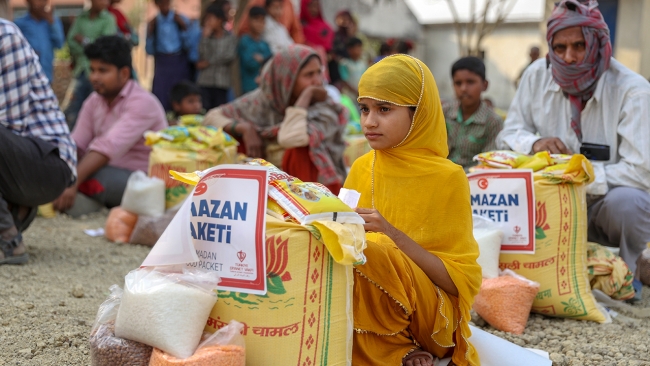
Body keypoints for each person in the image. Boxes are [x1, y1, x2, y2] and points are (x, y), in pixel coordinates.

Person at [496, 0, 650, 300]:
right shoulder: (536, 75)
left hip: (603, 207)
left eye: (579, 45)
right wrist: (535, 144)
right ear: (550, 46)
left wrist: (578, 175)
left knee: (630, 203)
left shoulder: (633, 91)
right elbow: (509, 133)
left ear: (598, 42)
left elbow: (641, 172)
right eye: (560, 47)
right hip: (550, 206)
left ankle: (625, 273)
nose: (569, 57)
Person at [346, 54, 480, 365]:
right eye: (364, 108)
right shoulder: (362, 167)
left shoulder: (448, 177)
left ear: (418, 114)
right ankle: (387, 348)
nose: (369, 121)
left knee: (375, 249)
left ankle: (398, 347)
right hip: (366, 303)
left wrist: (391, 235)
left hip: (430, 315)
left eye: (384, 109)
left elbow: (459, 283)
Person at [204, 45, 347, 194]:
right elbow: (211, 117)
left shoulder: (324, 107)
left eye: (319, 72)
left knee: (300, 149)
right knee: (232, 136)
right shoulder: (263, 100)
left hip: (307, 188)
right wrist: (244, 128)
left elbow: (290, 139)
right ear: (286, 78)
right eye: (309, 75)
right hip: (267, 179)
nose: (317, 81)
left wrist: (305, 97)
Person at [53, 36, 167, 216]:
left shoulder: (143, 103)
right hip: (104, 171)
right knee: (56, 169)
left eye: (102, 71)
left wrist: (72, 182)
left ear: (124, 73)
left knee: (97, 176)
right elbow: (76, 144)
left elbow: (106, 147)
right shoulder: (93, 101)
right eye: (92, 70)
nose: (94, 77)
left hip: (142, 179)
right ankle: (84, 201)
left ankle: (82, 198)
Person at [0, 19, 76, 265]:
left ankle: (8, 238)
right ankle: (14, 213)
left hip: (48, 163)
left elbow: (11, 122)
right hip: (15, 163)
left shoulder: (5, 35)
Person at [442, 57, 503, 170]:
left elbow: (488, 164)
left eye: (470, 82)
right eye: (458, 83)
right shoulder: (443, 113)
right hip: (441, 174)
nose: (463, 88)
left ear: (485, 85)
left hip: (473, 180)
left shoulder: (493, 121)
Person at [64, 0, 117, 128]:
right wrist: (90, 48)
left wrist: (84, 41)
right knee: (73, 111)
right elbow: (71, 41)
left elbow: (105, 47)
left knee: (97, 113)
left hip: (100, 75)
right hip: (81, 71)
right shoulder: (81, 18)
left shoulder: (109, 19)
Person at [146, 0, 194, 111]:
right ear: (156, 4)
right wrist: (150, 34)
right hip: (162, 62)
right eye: (161, 3)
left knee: (181, 93)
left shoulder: (181, 20)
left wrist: (183, 28)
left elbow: (189, 46)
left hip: (179, 61)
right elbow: (149, 51)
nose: (164, 6)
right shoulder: (153, 23)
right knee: (161, 94)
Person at [196, 3, 236, 110]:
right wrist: (205, 38)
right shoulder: (206, 37)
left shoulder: (230, 38)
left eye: (211, 18)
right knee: (204, 111)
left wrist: (208, 63)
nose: (208, 22)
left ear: (219, 20)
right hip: (205, 81)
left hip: (221, 82)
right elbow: (202, 54)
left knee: (218, 111)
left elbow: (228, 56)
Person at [14, 0, 65, 82]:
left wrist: (51, 22)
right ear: (29, 2)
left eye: (44, 1)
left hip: (46, 74)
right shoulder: (19, 24)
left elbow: (59, 44)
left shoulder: (53, 22)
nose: (42, 4)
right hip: (27, 76)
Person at [238, 6, 272, 94]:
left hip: (263, 88)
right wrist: (263, 60)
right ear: (249, 20)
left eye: (262, 21)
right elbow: (250, 64)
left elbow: (269, 63)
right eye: (256, 20)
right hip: (248, 87)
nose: (260, 24)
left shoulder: (265, 44)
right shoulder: (244, 41)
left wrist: (261, 59)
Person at [237, 0, 304, 44]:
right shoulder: (258, 2)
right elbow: (244, 29)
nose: (278, 11)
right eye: (275, 7)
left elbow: (296, 31)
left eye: (280, 7)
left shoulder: (288, 4)